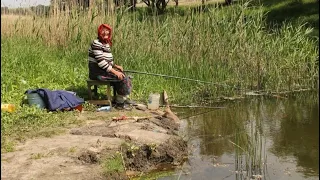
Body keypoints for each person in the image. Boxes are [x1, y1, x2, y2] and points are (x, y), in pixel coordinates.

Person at [88, 24, 133, 108]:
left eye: (107, 32)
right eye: (103, 31)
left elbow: (107, 61)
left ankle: (121, 98)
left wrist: (115, 66)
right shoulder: (96, 43)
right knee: (122, 77)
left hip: (103, 70)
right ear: (99, 32)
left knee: (124, 74)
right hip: (97, 72)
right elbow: (101, 62)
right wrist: (115, 72)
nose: (106, 33)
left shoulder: (106, 44)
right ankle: (120, 103)